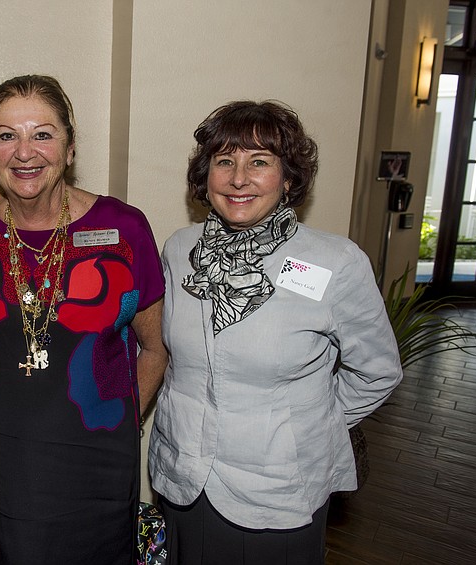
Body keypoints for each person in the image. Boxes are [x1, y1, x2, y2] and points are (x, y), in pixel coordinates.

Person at [149, 100, 403, 564]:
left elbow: (378, 371)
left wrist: (307, 425)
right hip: (183, 474)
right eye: (225, 161)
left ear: (288, 178)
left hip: (277, 488)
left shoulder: (336, 262)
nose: (239, 179)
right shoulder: (181, 250)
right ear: (206, 175)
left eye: (259, 162)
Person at [0, 75, 168, 564]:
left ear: (69, 148)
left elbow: (156, 346)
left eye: (42, 134)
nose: (24, 152)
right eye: (6, 135)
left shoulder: (123, 230)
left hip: (94, 461)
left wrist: (123, 423)